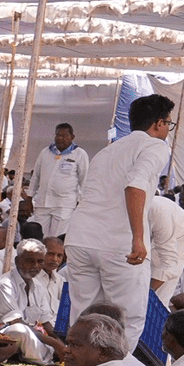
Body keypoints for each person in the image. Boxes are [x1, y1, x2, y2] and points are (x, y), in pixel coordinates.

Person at [64, 94, 175, 351]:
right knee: (127, 319)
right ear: (159, 123)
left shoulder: (108, 150)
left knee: (83, 317)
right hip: (118, 243)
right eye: (169, 124)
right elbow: (135, 186)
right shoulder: (155, 146)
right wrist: (138, 238)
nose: (168, 130)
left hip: (81, 239)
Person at [29, 123, 86, 236]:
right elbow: (36, 176)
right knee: (39, 236)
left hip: (64, 204)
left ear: (72, 137)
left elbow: (84, 180)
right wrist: (29, 197)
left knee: (57, 237)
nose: (60, 138)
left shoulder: (79, 154)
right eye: (58, 135)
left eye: (64, 136)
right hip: (43, 202)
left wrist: (82, 201)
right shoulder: (45, 152)